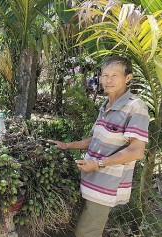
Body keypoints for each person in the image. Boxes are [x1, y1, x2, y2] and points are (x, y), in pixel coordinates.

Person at [48, 55, 149, 237]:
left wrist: (99, 163)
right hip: (90, 177)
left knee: (86, 232)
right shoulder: (106, 105)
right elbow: (94, 139)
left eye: (115, 75)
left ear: (128, 78)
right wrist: (66, 145)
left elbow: (136, 151)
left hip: (105, 185)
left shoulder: (136, 107)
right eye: (105, 75)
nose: (108, 80)